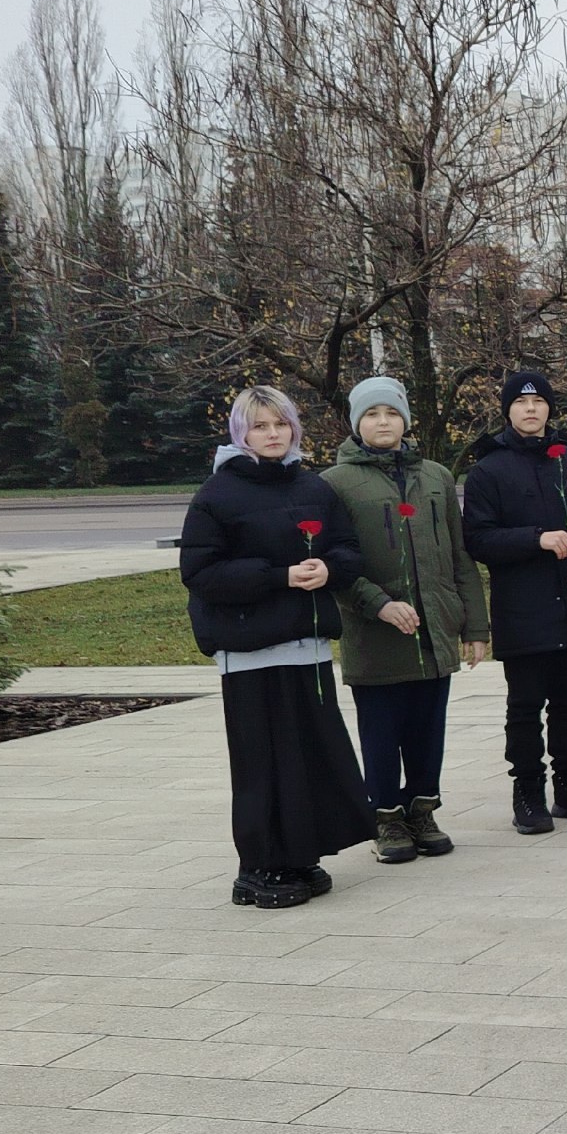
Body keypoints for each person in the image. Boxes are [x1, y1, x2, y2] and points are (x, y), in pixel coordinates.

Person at [180, 386, 373, 909]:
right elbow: (200, 572)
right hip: (249, 651)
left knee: (308, 755)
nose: (272, 434)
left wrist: (329, 569)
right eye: (260, 426)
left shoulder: (313, 486)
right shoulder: (216, 495)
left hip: (306, 647)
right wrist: (278, 577)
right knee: (261, 763)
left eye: (280, 424)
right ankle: (257, 867)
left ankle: (301, 854)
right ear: (241, 433)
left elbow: (348, 549)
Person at [323, 375, 490, 863]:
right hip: (375, 636)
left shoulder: (435, 477)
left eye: (392, 413)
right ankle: (386, 819)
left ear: (406, 421)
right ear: (357, 422)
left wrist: (474, 626)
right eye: (372, 414)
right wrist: (378, 604)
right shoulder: (334, 484)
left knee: (427, 731)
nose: (383, 422)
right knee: (381, 734)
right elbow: (335, 565)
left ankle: (422, 810)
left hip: (434, 630)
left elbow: (459, 556)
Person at [463, 369, 567, 835]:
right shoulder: (488, 469)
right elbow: (479, 539)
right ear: (507, 410)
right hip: (522, 608)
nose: (531, 410)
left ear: (550, 408)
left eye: (539, 402)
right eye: (521, 403)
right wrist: (537, 539)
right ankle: (528, 792)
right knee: (525, 706)